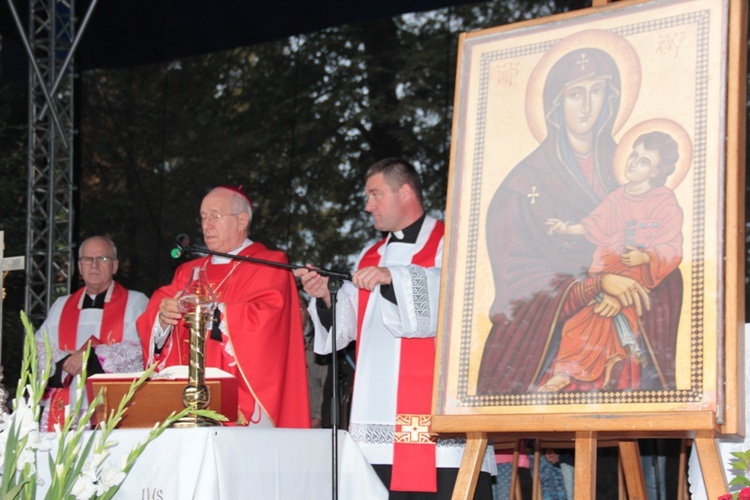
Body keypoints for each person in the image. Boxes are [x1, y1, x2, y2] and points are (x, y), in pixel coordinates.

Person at [476, 46, 683, 395]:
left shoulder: (629, 175)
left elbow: (669, 254)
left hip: (630, 325)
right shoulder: (522, 186)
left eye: (597, 91)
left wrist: (632, 282)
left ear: (612, 98)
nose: (587, 106)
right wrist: (593, 286)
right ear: (556, 104)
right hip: (548, 335)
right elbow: (516, 280)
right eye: (575, 94)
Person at [295, 158, 495, 498]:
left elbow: (461, 297)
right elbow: (345, 329)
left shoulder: (453, 243)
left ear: (404, 192)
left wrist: (396, 278)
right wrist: (325, 297)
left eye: (375, 194)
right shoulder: (369, 255)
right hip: (378, 409)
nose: (367, 205)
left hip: (438, 415)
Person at [137, 186, 310, 428]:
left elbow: (267, 322)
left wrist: (212, 311)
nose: (206, 225)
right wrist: (163, 318)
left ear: (242, 221)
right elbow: (154, 312)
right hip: (184, 403)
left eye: (215, 216)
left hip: (241, 403)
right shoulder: (188, 272)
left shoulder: (271, 264)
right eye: (203, 217)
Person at [542, 130, 683, 392]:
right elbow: (595, 223)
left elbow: (672, 245)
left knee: (611, 319)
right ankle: (565, 370)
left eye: (644, 162)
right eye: (634, 155)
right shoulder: (618, 196)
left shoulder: (664, 202)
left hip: (635, 278)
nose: (633, 163)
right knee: (577, 322)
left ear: (656, 171)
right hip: (605, 272)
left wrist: (647, 256)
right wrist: (567, 228)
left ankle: (600, 369)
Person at [35, 236, 148, 430]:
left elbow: (140, 349)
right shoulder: (61, 306)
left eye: (102, 259)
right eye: (87, 259)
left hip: (115, 410)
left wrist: (89, 358)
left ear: (115, 266)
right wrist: (68, 362)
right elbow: (40, 348)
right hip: (66, 410)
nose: (93, 265)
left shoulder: (136, 303)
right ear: (79, 267)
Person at [300, 293, 329, 428]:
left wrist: (318, 417)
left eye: (301, 308)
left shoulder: (319, 344)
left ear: (308, 312)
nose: (296, 313)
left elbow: (326, 384)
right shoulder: (275, 345)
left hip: (312, 419)